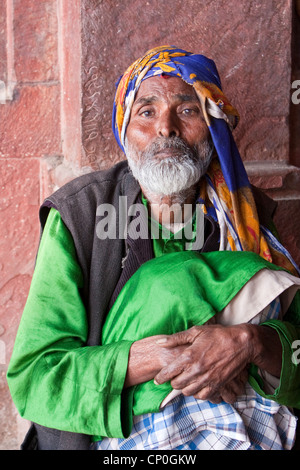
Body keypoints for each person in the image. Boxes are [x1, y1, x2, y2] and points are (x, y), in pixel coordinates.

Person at [7, 46, 300, 451]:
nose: (166, 128)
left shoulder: (244, 218)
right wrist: (149, 358)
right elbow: (35, 378)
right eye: (146, 111)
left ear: (213, 129)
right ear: (124, 129)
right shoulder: (82, 216)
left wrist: (250, 343)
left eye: (187, 110)